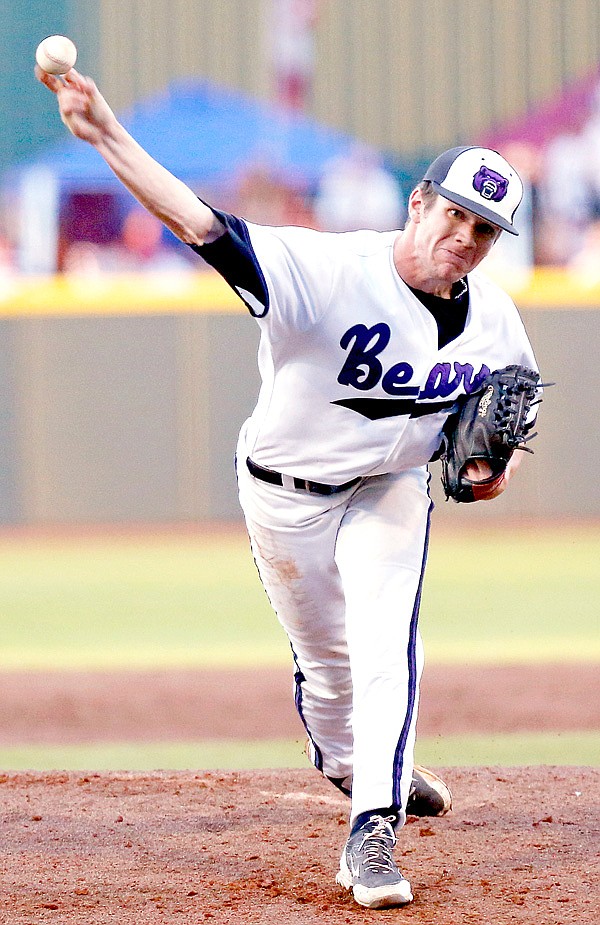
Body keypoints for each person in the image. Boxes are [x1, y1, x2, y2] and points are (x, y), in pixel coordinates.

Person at [37, 66, 540, 910]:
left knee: (389, 644)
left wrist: (496, 472)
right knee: (331, 668)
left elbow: (510, 427)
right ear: (418, 203)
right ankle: (349, 763)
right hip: (284, 493)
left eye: (485, 229)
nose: (465, 236)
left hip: (387, 486)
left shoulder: (495, 318)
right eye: (455, 213)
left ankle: (371, 827)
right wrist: (106, 136)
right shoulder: (326, 270)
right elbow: (199, 223)